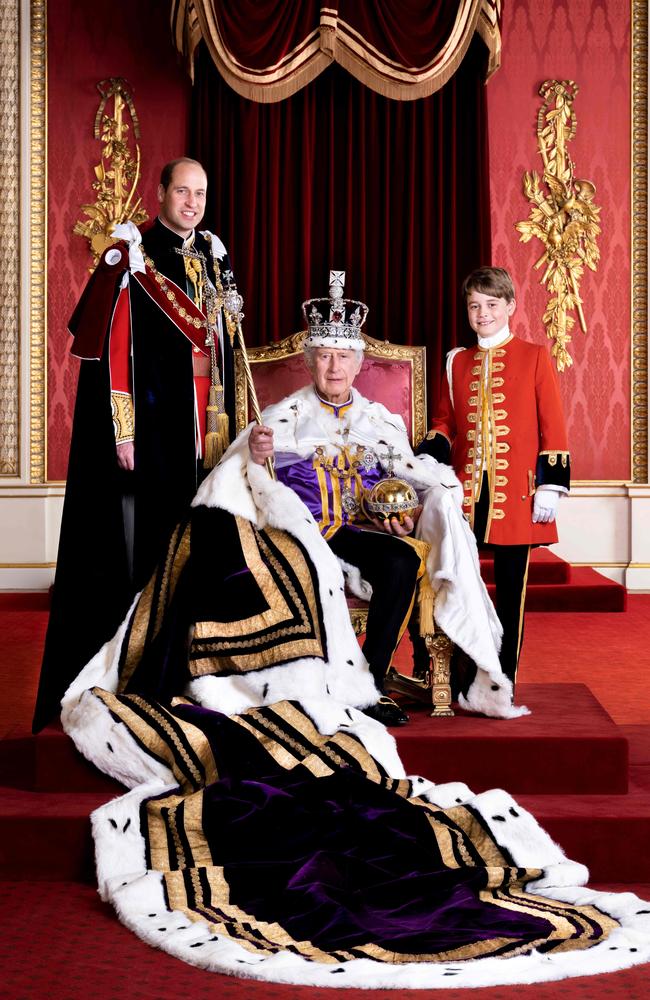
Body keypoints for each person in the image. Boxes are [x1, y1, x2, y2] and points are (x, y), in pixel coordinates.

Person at [248, 271, 519, 726]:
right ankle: (303, 684)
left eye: (344, 358)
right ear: (310, 363)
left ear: (359, 365)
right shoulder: (284, 416)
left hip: (353, 531)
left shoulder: (380, 420)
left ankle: (368, 685)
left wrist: (404, 516)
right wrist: (257, 456)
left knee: (400, 560)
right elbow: (246, 477)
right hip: (298, 530)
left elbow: (409, 483)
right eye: (326, 357)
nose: (335, 368)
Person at [32, 157, 238, 732]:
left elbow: (223, 344)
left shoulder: (214, 255)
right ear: (163, 193)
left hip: (208, 422)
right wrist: (123, 430)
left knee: (204, 545)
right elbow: (114, 351)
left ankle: (196, 664)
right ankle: (147, 671)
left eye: (201, 193)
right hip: (154, 423)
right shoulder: (134, 252)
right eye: (183, 191)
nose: (193, 203)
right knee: (156, 548)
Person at [421, 266, 570, 687]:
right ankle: (462, 675)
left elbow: (552, 425)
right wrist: (433, 445)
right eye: (474, 306)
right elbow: (445, 421)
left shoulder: (535, 355)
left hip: (518, 497)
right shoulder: (457, 362)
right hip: (465, 495)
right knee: (463, 589)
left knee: (510, 594)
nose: (482, 313)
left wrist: (551, 485)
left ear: (510, 307)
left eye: (490, 304)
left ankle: (504, 679)